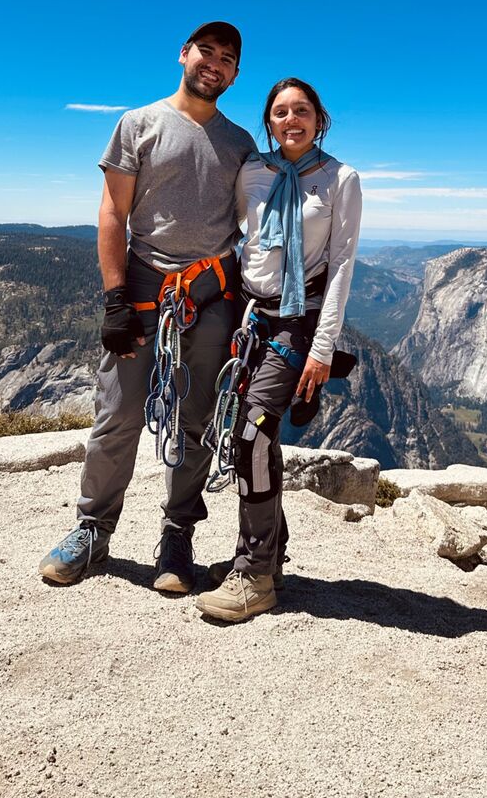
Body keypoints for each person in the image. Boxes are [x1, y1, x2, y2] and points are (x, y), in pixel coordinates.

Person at [39, 21, 257, 591]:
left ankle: (177, 536)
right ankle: (92, 529)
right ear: (183, 55)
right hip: (143, 288)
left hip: (211, 292)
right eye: (205, 51)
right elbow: (113, 213)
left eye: (226, 58)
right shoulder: (137, 124)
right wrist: (115, 300)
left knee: (196, 421)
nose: (213, 63)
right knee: (118, 415)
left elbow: (253, 229)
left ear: (236, 74)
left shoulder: (241, 146)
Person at [195, 77, 362, 622]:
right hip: (250, 314)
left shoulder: (341, 179)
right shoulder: (254, 171)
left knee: (253, 431)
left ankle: (256, 572)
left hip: (300, 321)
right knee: (246, 432)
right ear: (268, 122)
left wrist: (323, 347)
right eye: (281, 112)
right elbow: (239, 235)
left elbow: (341, 266)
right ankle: (272, 553)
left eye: (302, 111)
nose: (291, 120)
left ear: (319, 118)